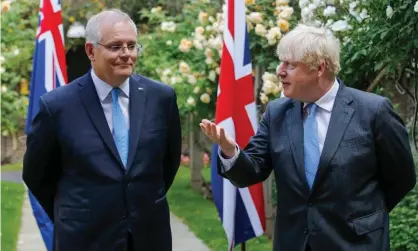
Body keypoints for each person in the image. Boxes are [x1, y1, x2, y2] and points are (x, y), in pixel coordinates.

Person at [200, 24, 416, 251]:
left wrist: (364, 218)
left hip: (355, 244)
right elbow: (253, 170)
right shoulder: (277, 113)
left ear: (319, 68)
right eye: (281, 62)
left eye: (290, 65)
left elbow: (402, 178)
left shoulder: (373, 111)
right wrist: (229, 150)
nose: (280, 71)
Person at [23, 9, 181, 251]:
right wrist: (75, 213)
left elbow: (168, 164)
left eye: (132, 45)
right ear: (90, 51)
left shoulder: (162, 97)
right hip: (84, 239)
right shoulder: (57, 106)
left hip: (149, 236)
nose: (126, 54)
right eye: (116, 46)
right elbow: (37, 175)